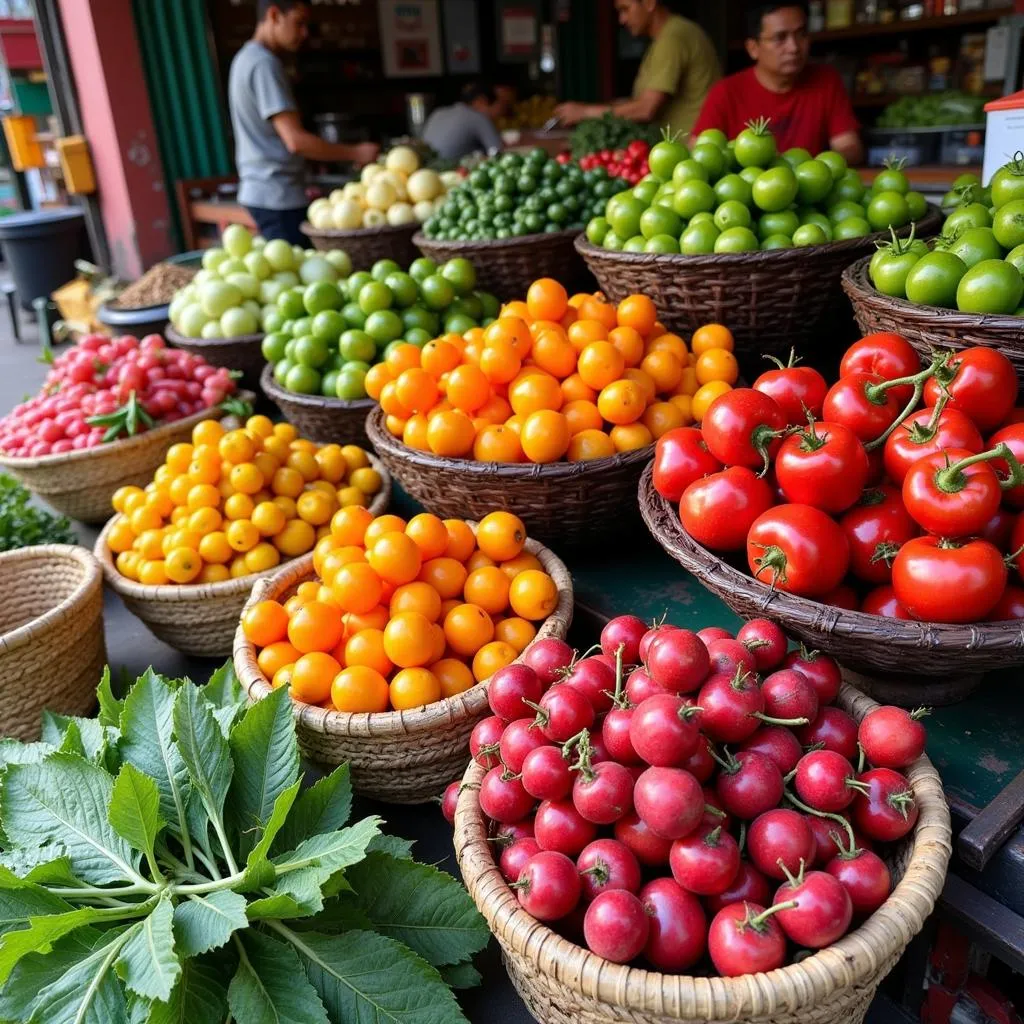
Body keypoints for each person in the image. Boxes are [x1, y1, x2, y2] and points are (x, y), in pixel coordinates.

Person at [228, 0, 379, 244]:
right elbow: (295, 141)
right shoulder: (264, 64)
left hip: (263, 192)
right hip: (278, 195)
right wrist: (356, 152)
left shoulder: (244, 58)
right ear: (274, 15)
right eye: (298, 23)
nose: (304, 33)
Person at [692, 3, 863, 164]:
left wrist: (812, 168)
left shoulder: (826, 80)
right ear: (753, 48)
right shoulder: (726, 92)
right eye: (780, 38)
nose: (794, 47)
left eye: (801, 34)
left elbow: (850, 147)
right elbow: (699, 152)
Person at [554, 1, 719, 137]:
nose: (622, 19)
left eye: (625, 9)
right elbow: (642, 100)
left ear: (649, 3)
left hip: (686, 156)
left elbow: (645, 109)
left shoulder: (672, 39)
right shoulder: (668, 36)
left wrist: (584, 112)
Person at [422, 83, 504, 161]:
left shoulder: (438, 112)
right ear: (481, 101)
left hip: (425, 170)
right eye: (498, 105)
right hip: (455, 171)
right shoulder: (477, 117)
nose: (499, 111)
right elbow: (497, 152)